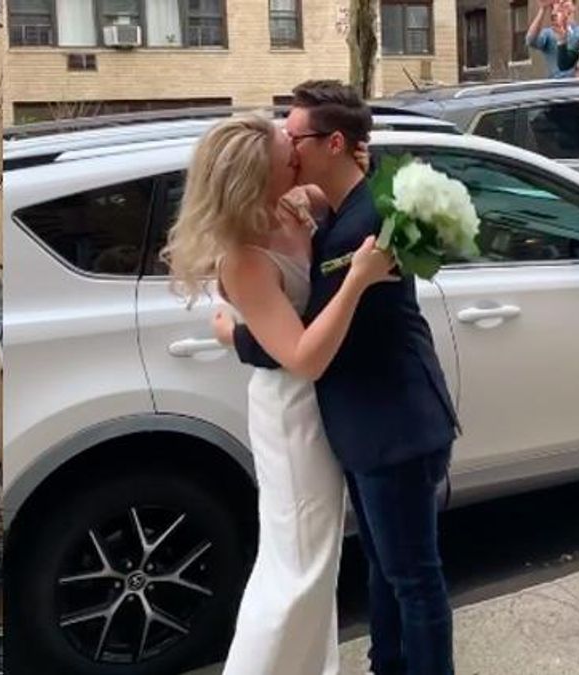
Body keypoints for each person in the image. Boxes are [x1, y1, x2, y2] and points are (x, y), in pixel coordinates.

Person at [211, 81, 460, 675]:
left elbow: (307, 338)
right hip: (366, 423)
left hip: (392, 425)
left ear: (334, 142)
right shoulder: (341, 208)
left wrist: (237, 337)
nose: (289, 147)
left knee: (412, 579)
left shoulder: (359, 230)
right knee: (387, 569)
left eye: (294, 137)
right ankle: (387, 664)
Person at [160, 106, 398, 672]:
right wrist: (358, 281)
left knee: (317, 563)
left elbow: (345, 186)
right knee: (295, 569)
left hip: (321, 405)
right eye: (286, 154)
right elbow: (304, 358)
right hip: (291, 415)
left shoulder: (294, 204)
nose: (297, 154)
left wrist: (357, 159)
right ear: (255, 178)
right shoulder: (244, 258)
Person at [526, 0, 579, 78]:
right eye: (558, 1)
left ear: (574, 7)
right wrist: (542, 9)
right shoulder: (548, 33)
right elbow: (530, 40)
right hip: (556, 83)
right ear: (553, 9)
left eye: (565, 0)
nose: (561, 2)